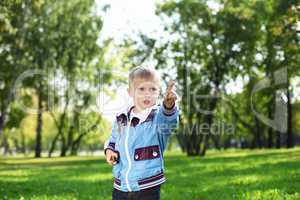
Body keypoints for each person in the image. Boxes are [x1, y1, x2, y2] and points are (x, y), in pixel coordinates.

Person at [104, 66, 179, 200]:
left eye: (153, 89)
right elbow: (113, 139)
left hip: (147, 186)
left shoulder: (157, 118)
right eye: (142, 89)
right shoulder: (121, 118)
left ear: (159, 92)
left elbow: (168, 123)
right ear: (130, 92)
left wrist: (168, 107)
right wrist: (110, 150)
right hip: (121, 185)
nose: (147, 94)